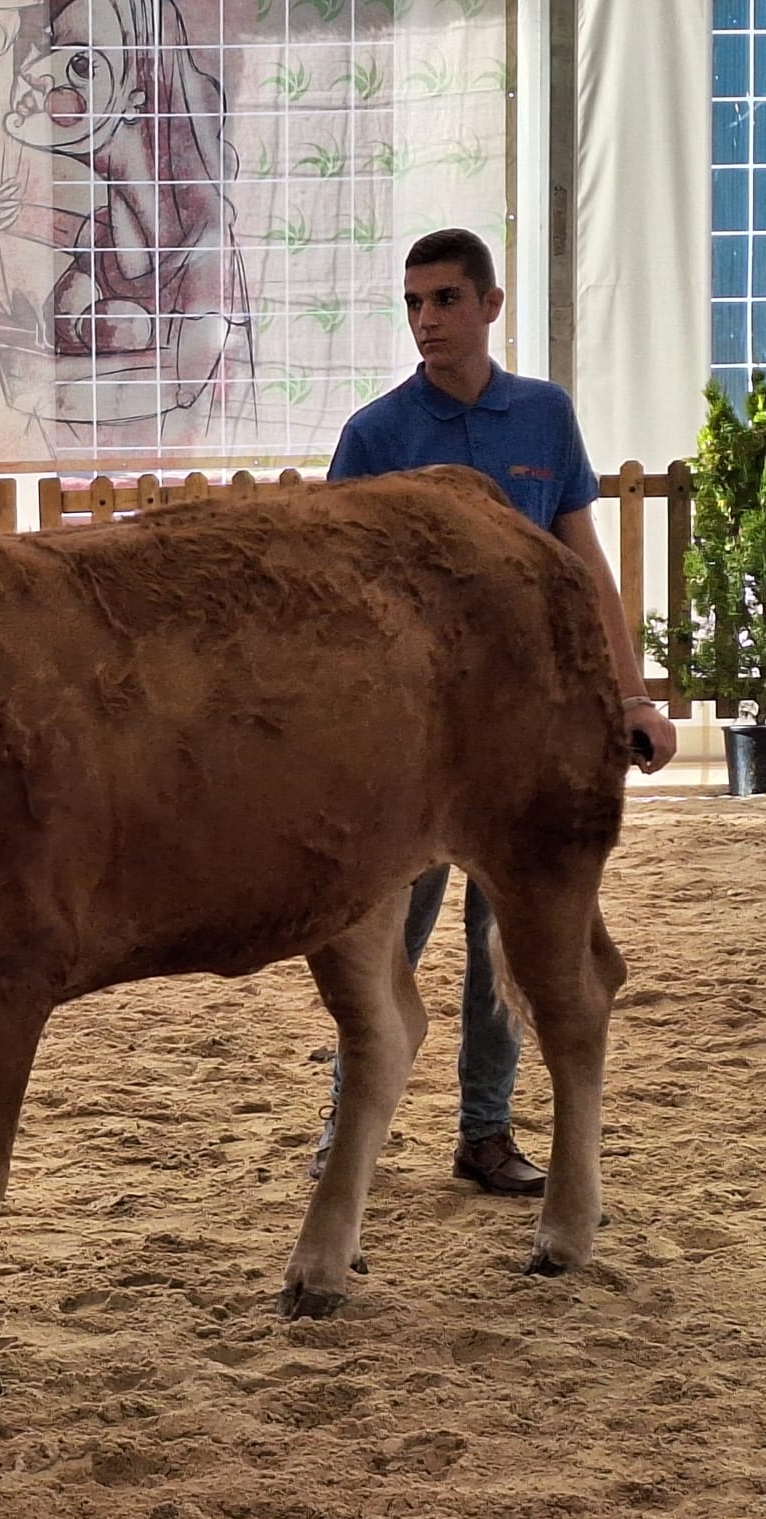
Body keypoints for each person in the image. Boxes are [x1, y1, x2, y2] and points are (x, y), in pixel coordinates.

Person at [311, 227, 678, 1194]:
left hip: (531, 737)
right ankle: (348, 1130)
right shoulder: (376, 434)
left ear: (490, 305)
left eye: (444, 300)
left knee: (515, 942)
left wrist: (631, 694)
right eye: (414, 304)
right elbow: (339, 599)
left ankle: (486, 1132)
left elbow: (581, 565)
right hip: (418, 740)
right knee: (378, 939)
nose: (426, 321)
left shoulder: (544, 418)